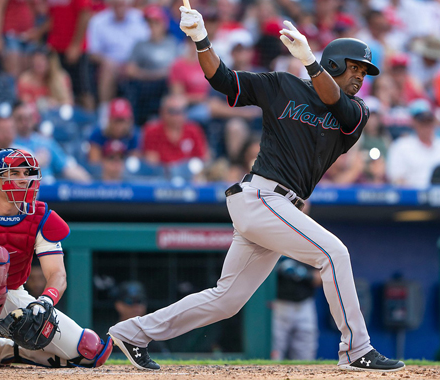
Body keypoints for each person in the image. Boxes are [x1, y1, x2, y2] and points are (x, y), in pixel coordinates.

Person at [108, 6, 405, 373]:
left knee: (226, 300)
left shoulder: (357, 112)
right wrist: (201, 40)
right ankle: (357, 349)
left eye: (364, 71)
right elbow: (223, 81)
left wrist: (311, 62)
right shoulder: (282, 84)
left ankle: (133, 332)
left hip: (280, 207)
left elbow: (334, 102)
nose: (360, 77)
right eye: (354, 67)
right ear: (335, 64)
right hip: (262, 196)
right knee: (333, 254)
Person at [0, 148, 113, 369]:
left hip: (10, 294)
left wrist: (46, 300)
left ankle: (1, 349)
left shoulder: (40, 216)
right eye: (15, 173)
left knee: (91, 350)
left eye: (27, 173)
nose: (24, 180)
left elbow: (57, 274)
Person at [387, 99, 440, 188]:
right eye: (422, 122)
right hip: (410, 198)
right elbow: (396, 179)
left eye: (429, 121)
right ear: (415, 123)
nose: (426, 126)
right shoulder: (401, 146)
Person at [271, 256, 322, 361]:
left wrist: (303, 273)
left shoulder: (310, 247)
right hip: (279, 304)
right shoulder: (275, 247)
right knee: (275, 353)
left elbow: (320, 278)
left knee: (305, 356)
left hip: (305, 305)